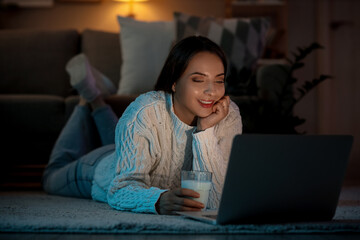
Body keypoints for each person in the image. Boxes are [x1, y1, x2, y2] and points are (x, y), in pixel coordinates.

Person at [42, 36, 243, 215]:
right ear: (174, 82)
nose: (212, 91)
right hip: (101, 170)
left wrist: (205, 130)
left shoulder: (226, 114)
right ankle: (89, 97)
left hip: (136, 154)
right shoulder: (144, 111)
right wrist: (158, 200)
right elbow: (120, 189)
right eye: (198, 80)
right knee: (51, 178)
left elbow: (217, 201)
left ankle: (96, 98)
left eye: (219, 80)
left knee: (126, 140)